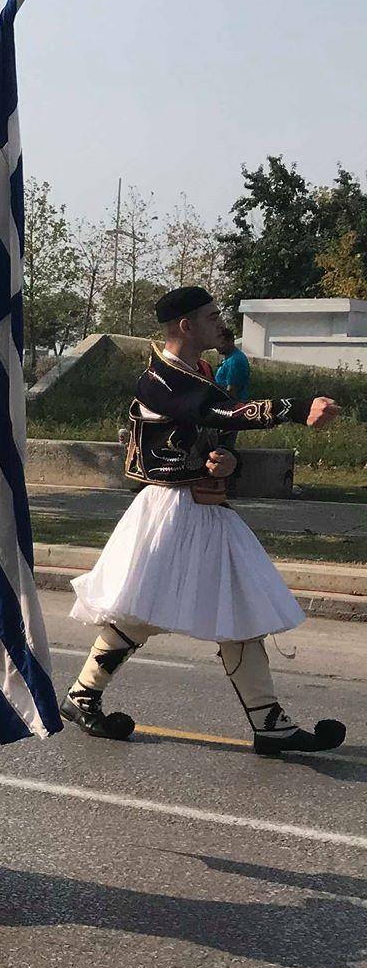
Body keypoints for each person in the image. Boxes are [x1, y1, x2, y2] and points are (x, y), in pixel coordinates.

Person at [64, 285, 346, 755]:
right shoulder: (161, 380)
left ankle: (267, 720)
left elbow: (217, 431)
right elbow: (216, 411)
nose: (222, 323)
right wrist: (296, 409)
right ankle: (84, 694)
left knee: (233, 608)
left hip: (203, 509)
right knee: (145, 611)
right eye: (213, 316)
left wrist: (226, 461)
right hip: (170, 511)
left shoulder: (198, 372)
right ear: (186, 326)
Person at [213, 325, 250, 404]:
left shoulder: (236, 360)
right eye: (217, 343)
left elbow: (232, 392)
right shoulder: (228, 358)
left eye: (222, 343)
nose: (218, 346)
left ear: (231, 341)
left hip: (232, 406)